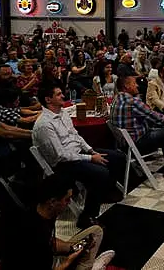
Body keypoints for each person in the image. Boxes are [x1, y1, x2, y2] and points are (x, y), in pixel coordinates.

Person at [33, 83, 125, 229]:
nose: (63, 96)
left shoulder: (62, 113)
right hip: (63, 164)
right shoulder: (44, 124)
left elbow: (76, 136)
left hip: (77, 154)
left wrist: (91, 151)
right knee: (101, 172)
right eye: (58, 94)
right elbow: (60, 155)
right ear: (48, 99)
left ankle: (105, 192)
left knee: (118, 157)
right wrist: (90, 158)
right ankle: (87, 216)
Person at [1, 173, 114, 270]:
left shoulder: (40, 211)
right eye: (67, 199)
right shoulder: (35, 233)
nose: (69, 203)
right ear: (53, 202)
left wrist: (74, 247)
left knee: (95, 232)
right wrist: (68, 261)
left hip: (48, 258)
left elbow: (51, 242)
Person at [110, 76, 164, 178]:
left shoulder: (115, 99)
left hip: (123, 143)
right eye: (134, 83)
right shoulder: (133, 102)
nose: (137, 85)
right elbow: (153, 115)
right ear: (126, 86)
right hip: (136, 143)